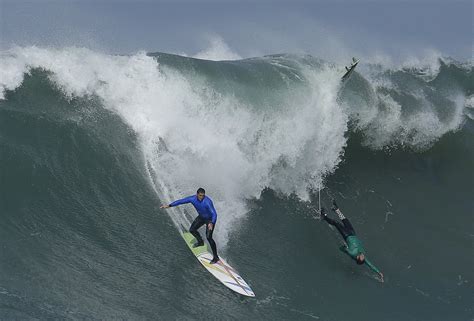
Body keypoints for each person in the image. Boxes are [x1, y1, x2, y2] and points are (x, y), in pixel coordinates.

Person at [321, 200, 384, 281]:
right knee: (345, 220)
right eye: (363, 257)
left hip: (347, 236)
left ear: (358, 258)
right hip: (353, 233)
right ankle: (335, 209)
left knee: (336, 223)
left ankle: (324, 216)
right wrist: (379, 273)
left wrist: (344, 247)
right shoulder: (362, 257)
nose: (363, 256)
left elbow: (342, 249)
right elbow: (371, 266)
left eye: (362, 257)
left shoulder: (352, 253)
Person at [161, 188, 220, 264]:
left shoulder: (207, 202)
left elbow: (214, 213)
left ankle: (216, 257)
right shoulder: (192, 199)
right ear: (197, 194)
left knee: (209, 237)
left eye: (203, 196)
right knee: (192, 230)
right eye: (200, 195)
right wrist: (169, 205)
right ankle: (200, 242)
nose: (202, 197)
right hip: (201, 218)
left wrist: (211, 223)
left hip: (210, 220)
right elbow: (181, 201)